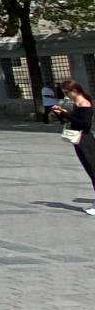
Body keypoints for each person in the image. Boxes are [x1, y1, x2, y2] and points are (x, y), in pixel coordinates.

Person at [49, 81, 95, 213]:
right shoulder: (77, 104)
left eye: (66, 92)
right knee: (90, 171)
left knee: (93, 171)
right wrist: (61, 112)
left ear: (75, 90)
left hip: (86, 141)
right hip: (79, 141)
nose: (66, 95)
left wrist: (66, 114)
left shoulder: (84, 103)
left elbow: (85, 125)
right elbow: (70, 120)